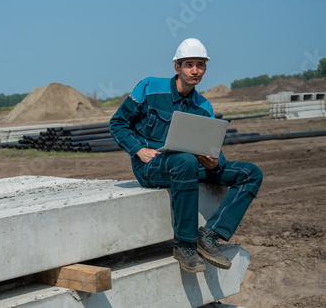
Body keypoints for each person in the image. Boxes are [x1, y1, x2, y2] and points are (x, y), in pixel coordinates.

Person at [109, 38, 263, 273]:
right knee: (185, 161)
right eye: (189, 64)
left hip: (188, 165)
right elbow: (118, 123)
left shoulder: (204, 107)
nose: (194, 70)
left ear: (205, 68)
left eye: (200, 65)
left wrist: (213, 163)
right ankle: (185, 245)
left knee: (251, 173)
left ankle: (209, 235)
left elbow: (212, 149)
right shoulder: (150, 88)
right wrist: (138, 150)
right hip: (150, 165)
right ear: (177, 68)